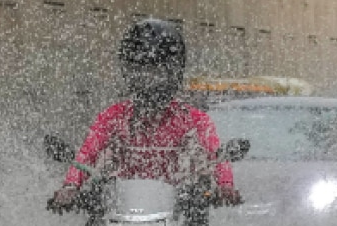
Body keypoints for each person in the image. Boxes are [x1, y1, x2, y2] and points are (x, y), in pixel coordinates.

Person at [50, 19, 242, 211]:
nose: (148, 81)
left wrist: (225, 185)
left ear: (175, 72)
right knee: (93, 223)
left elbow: (216, 154)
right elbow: (87, 154)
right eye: (139, 72)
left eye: (157, 73)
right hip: (120, 210)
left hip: (179, 210)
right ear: (127, 72)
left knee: (196, 220)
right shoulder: (113, 116)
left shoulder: (194, 119)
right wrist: (70, 186)